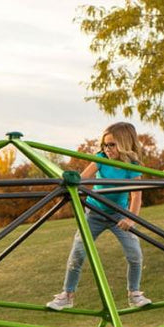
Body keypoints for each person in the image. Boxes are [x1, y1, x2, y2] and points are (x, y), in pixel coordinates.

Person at [46, 122, 152, 310]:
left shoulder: (132, 166)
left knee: (135, 254)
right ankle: (67, 295)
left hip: (119, 216)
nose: (107, 149)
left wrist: (130, 219)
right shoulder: (101, 159)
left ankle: (134, 294)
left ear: (124, 143)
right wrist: (72, 188)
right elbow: (82, 180)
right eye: (105, 145)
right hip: (94, 213)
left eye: (112, 145)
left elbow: (136, 195)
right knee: (78, 252)